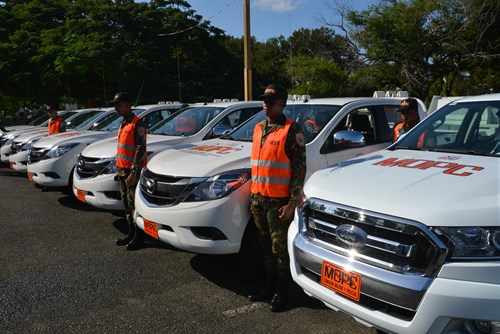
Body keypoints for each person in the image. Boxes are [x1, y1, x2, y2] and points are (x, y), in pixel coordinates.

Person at [249, 84, 306, 312]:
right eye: (264, 100)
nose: (266, 104)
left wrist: (292, 204)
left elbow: (299, 170)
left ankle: (282, 292)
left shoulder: (292, 130)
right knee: (264, 247)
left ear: (282, 103)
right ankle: (269, 285)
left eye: (270, 101)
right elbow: (259, 164)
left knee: (279, 250)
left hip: (278, 203)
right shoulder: (257, 128)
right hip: (258, 200)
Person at [111, 92, 148, 251]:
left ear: (127, 105)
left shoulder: (137, 123)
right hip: (122, 170)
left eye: (118, 105)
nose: (116, 108)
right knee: (126, 204)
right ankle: (130, 233)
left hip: (132, 171)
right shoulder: (123, 123)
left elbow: (140, 149)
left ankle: (138, 238)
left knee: (134, 205)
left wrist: (134, 170)